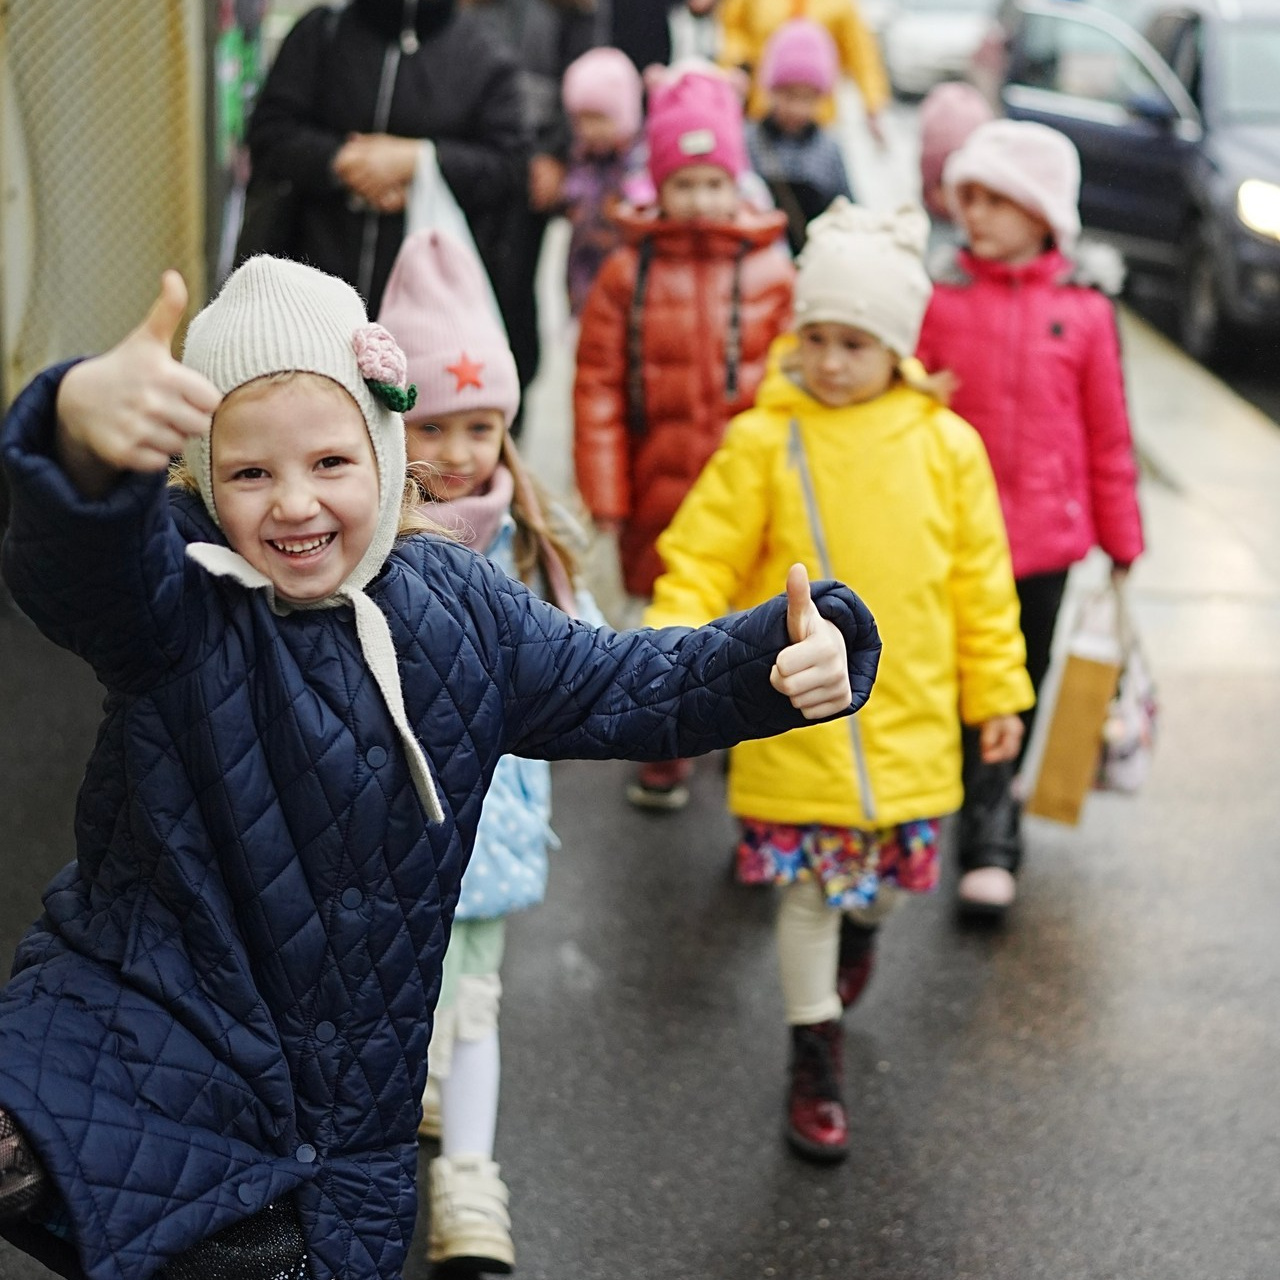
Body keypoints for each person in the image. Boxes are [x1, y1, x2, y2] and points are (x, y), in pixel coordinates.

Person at [0, 253, 878, 1280]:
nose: (292, 503)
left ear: (383, 449)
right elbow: (79, 571)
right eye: (249, 472)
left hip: (339, 1099)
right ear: (199, 477)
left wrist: (772, 661)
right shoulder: (178, 591)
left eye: (329, 462)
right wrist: (77, 438)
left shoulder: (460, 608)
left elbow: (628, 683)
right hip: (141, 1025)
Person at [646, 199, 1033, 1162]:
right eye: (814, 337)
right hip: (799, 722)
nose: (828, 361)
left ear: (897, 349)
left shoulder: (948, 450)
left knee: (881, 893)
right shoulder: (764, 443)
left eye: (853, 342)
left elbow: (984, 589)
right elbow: (701, 557)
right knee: (810, 896)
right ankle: (814, 1055)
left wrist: (998, 695)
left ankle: (866, 933)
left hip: (910, 730)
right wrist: (661, 649)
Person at [378, 227, 599, 1273]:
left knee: (470, 1002)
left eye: (483, 425)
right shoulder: (368, 545)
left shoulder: (531, 542)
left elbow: (584, 657)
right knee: (391, 999)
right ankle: (394, 1129)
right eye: (437, 425)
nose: (462, 451)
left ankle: (468, 1177)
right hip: (381, 831)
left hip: (492, 833)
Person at [916, 120, 1145, 918]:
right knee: (956, 684)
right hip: (951, 540)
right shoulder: (943, 300)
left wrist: (1121, 537)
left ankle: (990, 833)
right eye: (965, 195)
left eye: (992, 198)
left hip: (1046, 545)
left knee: (1015, 690)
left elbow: (1109, 434)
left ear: (1043, 210)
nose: (970, 212)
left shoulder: (1083, 312)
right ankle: (955, 807)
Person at [573, 61, 794, 811]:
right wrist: (605, 492)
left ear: (737, 183)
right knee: (664, 616)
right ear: (657, 185)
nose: (699, 201)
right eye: (684, 183)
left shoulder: (770, 268)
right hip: (657, 482)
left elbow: (792, 379)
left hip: (747, 488)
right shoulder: (625, 272)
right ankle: (668, 741)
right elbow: (598, 385)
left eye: (713, 182)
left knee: (748, 610)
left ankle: (747, 728)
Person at [245, 0, 527, 317]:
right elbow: (269, 132)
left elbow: (508, 166)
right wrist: (344, 161)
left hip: (432, 316)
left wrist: (418, 162)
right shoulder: (322, 34)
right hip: (306, 298)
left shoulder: (485, 55)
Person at [460, 0, 605, 398]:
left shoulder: (560, 13)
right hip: (466, 157)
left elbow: (581, 67)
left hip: (529, 165)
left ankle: (510, 408)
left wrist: (557, 152)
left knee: (514, 291)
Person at [745, 19, 854, 256]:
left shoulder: (828, 148)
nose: (798, 108)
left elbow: (847, 208)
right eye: (789, 95)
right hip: (761, 260)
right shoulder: (748, 140)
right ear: (772, 90)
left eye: (808, 99)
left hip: (815, 261)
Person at [717, 0, 889, 141]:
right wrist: (736, 65)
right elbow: (733, 28)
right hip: (764, 106)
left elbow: (861, 53)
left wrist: (872, 104)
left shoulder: (842, 5)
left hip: (817, 114)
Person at [561, 46, 650, 317]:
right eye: (582, 120)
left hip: (628, 274)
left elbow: (643, 202)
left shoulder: (638, 160)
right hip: (585, 271)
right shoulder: (581, 157)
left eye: (599, 119)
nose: (590, 130)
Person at [917, 79, 993, 248]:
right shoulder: (917, 233)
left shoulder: (987, 237)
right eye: (943, 182)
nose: (954, 196)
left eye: (967, 188)